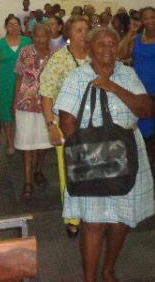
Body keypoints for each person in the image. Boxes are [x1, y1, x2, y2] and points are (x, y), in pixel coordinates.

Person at [55, 27, 154, 282]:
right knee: (93, 223)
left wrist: (113, 87)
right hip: (91, 155)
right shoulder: (77, 77)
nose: (108, 49)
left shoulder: (128, 74)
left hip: (127, 153)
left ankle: (108, 269)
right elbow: (67, 121)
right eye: (101, 44)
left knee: (121, 221)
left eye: (112, 44)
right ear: (89, 49)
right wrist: (90, 148)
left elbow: (145, 110)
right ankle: (90, 279)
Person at [39, 16, 90, 238]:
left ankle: (91, 213)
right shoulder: (59, 59)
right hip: (66, 123)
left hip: (93, 123)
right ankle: (72, 218)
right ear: (68, 34)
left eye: (86, 30)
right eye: (78, 30)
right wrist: (51, 124)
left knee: (92, 170)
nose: (83, 34)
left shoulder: (94, 58)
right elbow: (47, 94)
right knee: (70, 172)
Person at [118, 7, 155, 153]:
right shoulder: (136, 39)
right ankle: (146, 163)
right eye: (146, 18)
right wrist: (131, 32)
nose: (150, 21)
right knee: (142, 130)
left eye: (152, 17)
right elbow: (120, 54)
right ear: (142, 21)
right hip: (139, 90)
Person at [13, 23, 53, 200]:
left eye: (44, 35)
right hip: (26, 103)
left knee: (43, 141)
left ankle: (39, 170)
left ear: (49, 36)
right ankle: (27, 181)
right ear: (32, 36)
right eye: (37, 35)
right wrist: (14, 100)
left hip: (47, 105)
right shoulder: (25, 52)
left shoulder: (56, 55)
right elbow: (19, 76)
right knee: (26, 142)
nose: (40, 39)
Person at [0, 16, 31, 155]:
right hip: (5, 81)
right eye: (10, 24)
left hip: (24, 82)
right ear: (6, 27)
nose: (13, 27)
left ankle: (22, 140)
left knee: (22, 112)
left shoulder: (27, 42)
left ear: (20, 26)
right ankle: (10, 142)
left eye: (16, 24)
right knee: (6, 112)